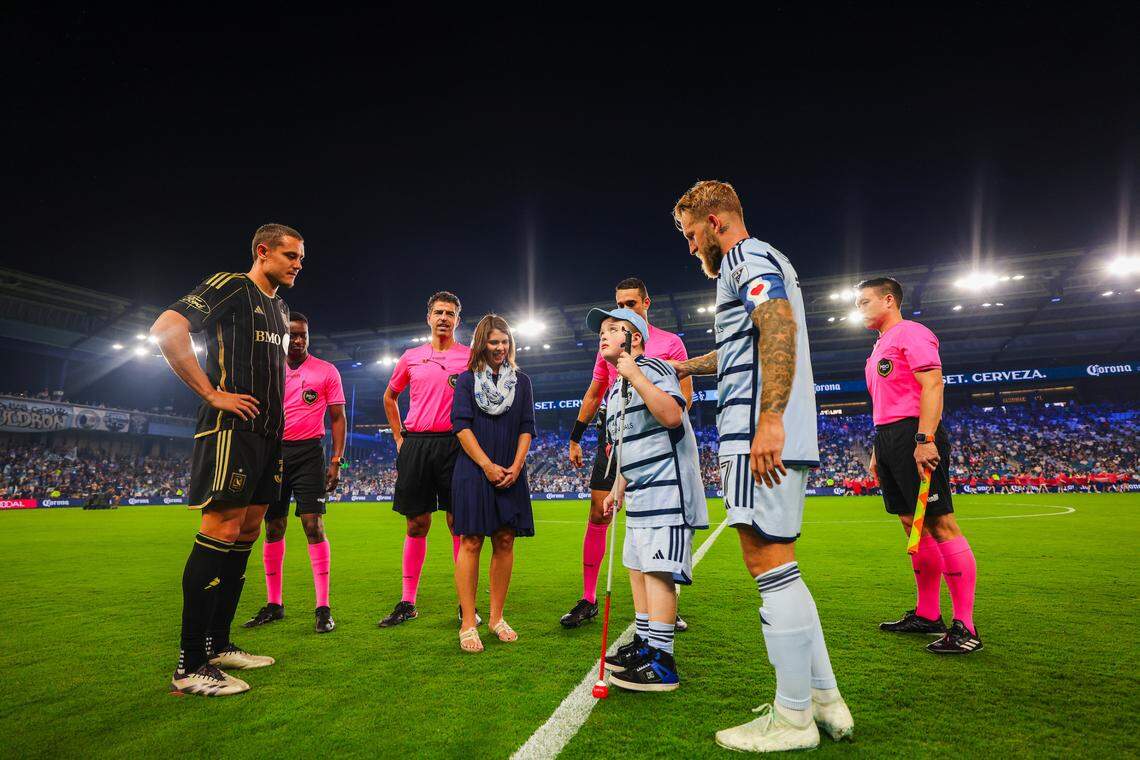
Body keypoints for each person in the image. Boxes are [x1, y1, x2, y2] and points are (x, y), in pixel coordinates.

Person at [671, 181, 852, 751]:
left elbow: (776, 323)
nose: (692, 246)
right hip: (767, 429)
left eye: (692, 233)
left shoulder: (745, 257)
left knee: (766, 559)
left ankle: (793, 717)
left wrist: (768, 418)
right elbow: (739, 346)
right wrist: (680, 365)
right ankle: (824, 700)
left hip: (759, 434)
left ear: (717, 222)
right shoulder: (765, 259)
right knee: (782, 563)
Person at [150, 223, 303, 696]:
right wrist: (212, 393)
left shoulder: (280, 308)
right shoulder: (231, 286)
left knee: (249, 529)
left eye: (301, 258)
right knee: (219, 530)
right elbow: (166, 329)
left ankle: (218, 644)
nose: (298, 264)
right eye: (291, 256)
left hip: (269, 436)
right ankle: (190, 662)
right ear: (263, 252)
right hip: (231, 433)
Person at [856, 277, 982, 655]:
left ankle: (966, 627)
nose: (859, 308)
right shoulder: (879, 346)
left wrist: (924, 438)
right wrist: (879, 447)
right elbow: (889, 400)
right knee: (911, 523)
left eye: (864, 301)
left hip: (915, 433)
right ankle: (928, 614)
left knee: (940, 522)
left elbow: (933, 386)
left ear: (889, 300)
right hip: (889, 436)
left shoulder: (911, 332)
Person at [585, 308, 707, 692]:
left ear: (634, 338)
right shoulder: (614, 389)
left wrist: (636, 375)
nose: (602, 336)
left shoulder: (654, 368)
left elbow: (672, 415)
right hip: (638, 492)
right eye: (601, 331)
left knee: (657, 573)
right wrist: (618, 486)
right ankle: (644, 644)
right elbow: (626, 445)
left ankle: (663, 662)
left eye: (612, 329)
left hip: (666, 490)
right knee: (637, 570)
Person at [561, 277, 692, 631]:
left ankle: (664, 605)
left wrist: (662, 438)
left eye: (631, 303)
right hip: (614, 433)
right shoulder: (607, 348)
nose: (624, 308)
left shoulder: (669, 344)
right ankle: (589, 598)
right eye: (619, 302)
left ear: (646, 303)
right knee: (600, 512)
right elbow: (594, 392)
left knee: (653, 523)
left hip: (654, 437)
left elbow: (684, 399)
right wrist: (577, 436)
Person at [243, 311, 346, 634]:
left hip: (309, 454)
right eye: (293, 335)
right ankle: (274, 604)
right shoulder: (267, 369)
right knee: (273, 527)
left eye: (303, 334)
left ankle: (323, 607)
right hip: (272, 452)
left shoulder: (326, 371)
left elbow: (338, 418)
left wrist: (336, 461)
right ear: (282, 337)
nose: (299, 340)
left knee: (313, 525)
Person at [378, 291, 474, 628]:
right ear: (429, 318)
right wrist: (398, 437)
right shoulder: (411, 357)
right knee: (416, 523)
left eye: (450, 313)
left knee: (457, 524)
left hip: (455, 444)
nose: (444, 318)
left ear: (458, 320)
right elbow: (390, 397)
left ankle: (466, 604)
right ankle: (407, 601)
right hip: (417, 443)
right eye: (438, 312)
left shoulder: (470, 357)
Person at [450, 314, 535, 652]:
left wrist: (516, 466)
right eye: (493, 342)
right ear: (481, 344)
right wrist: (486, 465)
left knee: (504, 540)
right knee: (471, 541)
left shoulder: (523, 382)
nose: (500, 348)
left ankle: (497, 617)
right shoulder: (467, 381)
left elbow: (527, 426)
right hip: (474, 469)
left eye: (505, 342)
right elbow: (461, 426)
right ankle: (469, 623)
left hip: (511, 470)